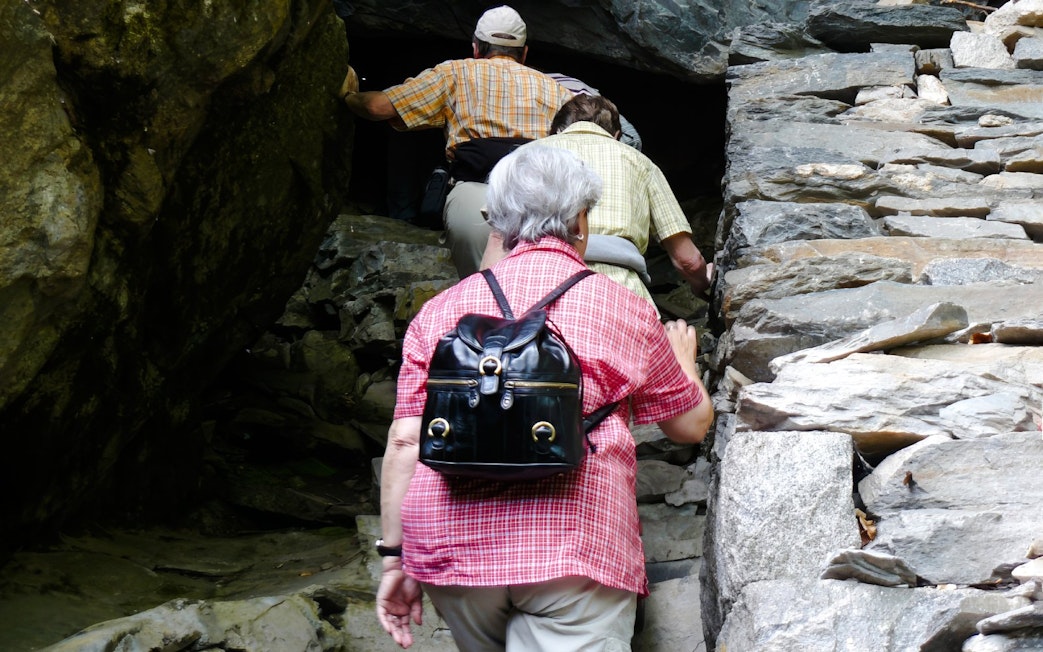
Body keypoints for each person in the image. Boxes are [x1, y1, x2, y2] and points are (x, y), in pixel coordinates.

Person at [375, 144, 714, 650]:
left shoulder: (441, 310)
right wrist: (685, 363)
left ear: (500, 221)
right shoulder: (621, 307)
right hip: (574, 544)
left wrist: (394, 558)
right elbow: (689, 427)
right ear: (581, 220)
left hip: (451, 548)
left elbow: (405, 441)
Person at [340, 5, 574, 278]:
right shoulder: (554, 88)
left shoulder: (455, 73)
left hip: (475, 194)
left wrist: (348, 97)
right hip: (541, 204)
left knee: (482, 283)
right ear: (523, 54)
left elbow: (378, 107)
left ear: (476, 48)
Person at [481, 93, 712, 309]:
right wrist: (702, 284)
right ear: (617, 136)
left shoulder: (523, 156)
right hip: (620, 291)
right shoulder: (640, 163)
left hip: (527, 283)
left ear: (557, 131)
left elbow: (497, 240)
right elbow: (687, 260)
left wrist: (488, 300)